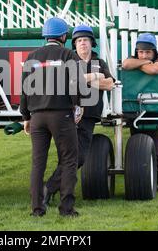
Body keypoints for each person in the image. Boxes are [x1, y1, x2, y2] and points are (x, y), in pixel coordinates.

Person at [43, 24, 114, 204]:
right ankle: (54, 191)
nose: (82, 44)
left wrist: (83, 80)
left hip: (89, 116)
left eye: (86, 40)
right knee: (68, 156)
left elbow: (109, 84)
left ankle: (48, 188)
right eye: (79, 41)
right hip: (67, 115)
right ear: (74, 44)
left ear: (92, 43)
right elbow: (66, 82)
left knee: (79, 157)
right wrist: (94, 77)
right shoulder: (69, 59)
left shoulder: (99, 62)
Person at [21, 17, 84, 217]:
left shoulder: (31, 57)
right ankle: (66, 208)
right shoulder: (68, 55)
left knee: (38, 162)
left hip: (37, 117)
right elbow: (77, 85)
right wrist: (78, 105)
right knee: (68, 160)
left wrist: (26, 116)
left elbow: (24, 91)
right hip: (61, 115)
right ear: (64, 36)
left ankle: (37, 209)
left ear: (45, 35)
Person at [122, 33, 158, 192]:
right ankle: (143, 179)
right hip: (136, 111)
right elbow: (126, 64)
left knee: (154, 149)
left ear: (154, 51)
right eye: (140, 52)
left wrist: (140, 64)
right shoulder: (135, 58)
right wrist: (145, 62)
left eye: (147, 52)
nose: (143, 54)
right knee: (139, 146)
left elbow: (155, 69)